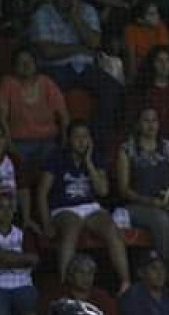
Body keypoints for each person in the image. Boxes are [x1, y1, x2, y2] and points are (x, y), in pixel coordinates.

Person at [30, 0, 122, 155]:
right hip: (53, 68)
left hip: (85, 68)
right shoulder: (42, 13)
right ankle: (56, 146)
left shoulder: (87, 11)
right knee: (46, 92)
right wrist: (79, 48)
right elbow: (47, 52)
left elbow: (94, 43)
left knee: (113, 89)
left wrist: (75, 18)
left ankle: (94, 144)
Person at [38, 121, 131, 293]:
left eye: (85, 137)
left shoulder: (96, 158)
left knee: (112, 229)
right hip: (63, 207)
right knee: (72, 228)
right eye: (77, 137)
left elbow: (103, 191)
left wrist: (88, 163)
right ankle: (65, 284)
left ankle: (125, 282)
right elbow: (42, 193)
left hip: (90, 206)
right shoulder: (56, 157)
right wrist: (46, 223)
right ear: (69, 139)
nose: (81, 141)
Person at [116, 107, 169, 291]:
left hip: (167, 200)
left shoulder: (168, 148)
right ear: (138, 124)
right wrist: (149, 201)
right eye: (146, 120)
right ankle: (163, 273)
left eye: (154, 120)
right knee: (162, 221)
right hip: (138, 204)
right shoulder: (127, 149)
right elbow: (124, 189)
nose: (151, 125)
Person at [0, 46, 69, 170]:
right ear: (14, 66)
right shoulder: (8, 83)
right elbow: (1, 117)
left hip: (48, 140)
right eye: (21, 62)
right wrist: (9, 143)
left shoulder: (46, 83)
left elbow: (64, 115)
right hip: (20, 142)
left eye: (29, 61)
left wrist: (65, 140)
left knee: (52, 171)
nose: (26, 65)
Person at [43, 254, 122, 315]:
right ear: (70, 276)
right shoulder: (56, 295)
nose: (86, 277)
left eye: (90, 273)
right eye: (81, 272)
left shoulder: (102, 297)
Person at [119, 250, 169, 315]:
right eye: (153, 268)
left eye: (162, 268)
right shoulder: (132, 297)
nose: (160, 273)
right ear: (141, 273)